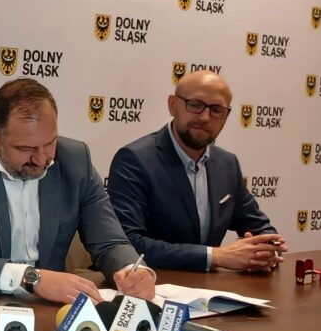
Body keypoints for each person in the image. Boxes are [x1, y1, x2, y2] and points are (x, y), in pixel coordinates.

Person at [0, 78, 153, 304]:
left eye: (50, 143)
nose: (43, 158)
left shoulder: (76, 159)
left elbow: (110, 242)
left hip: (46, 308)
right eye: (26, 148)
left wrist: (133, 270)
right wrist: (32, 278)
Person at [108, 70, 284, 272]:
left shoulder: (227, 163)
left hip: (209, 286)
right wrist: (215, 256)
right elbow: (129, 243)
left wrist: (267, 249)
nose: (205, 117)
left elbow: (258, 225)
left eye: (217, 109)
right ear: (173, 105)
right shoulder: (135, 159)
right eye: (195, 105)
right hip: (153, 283)